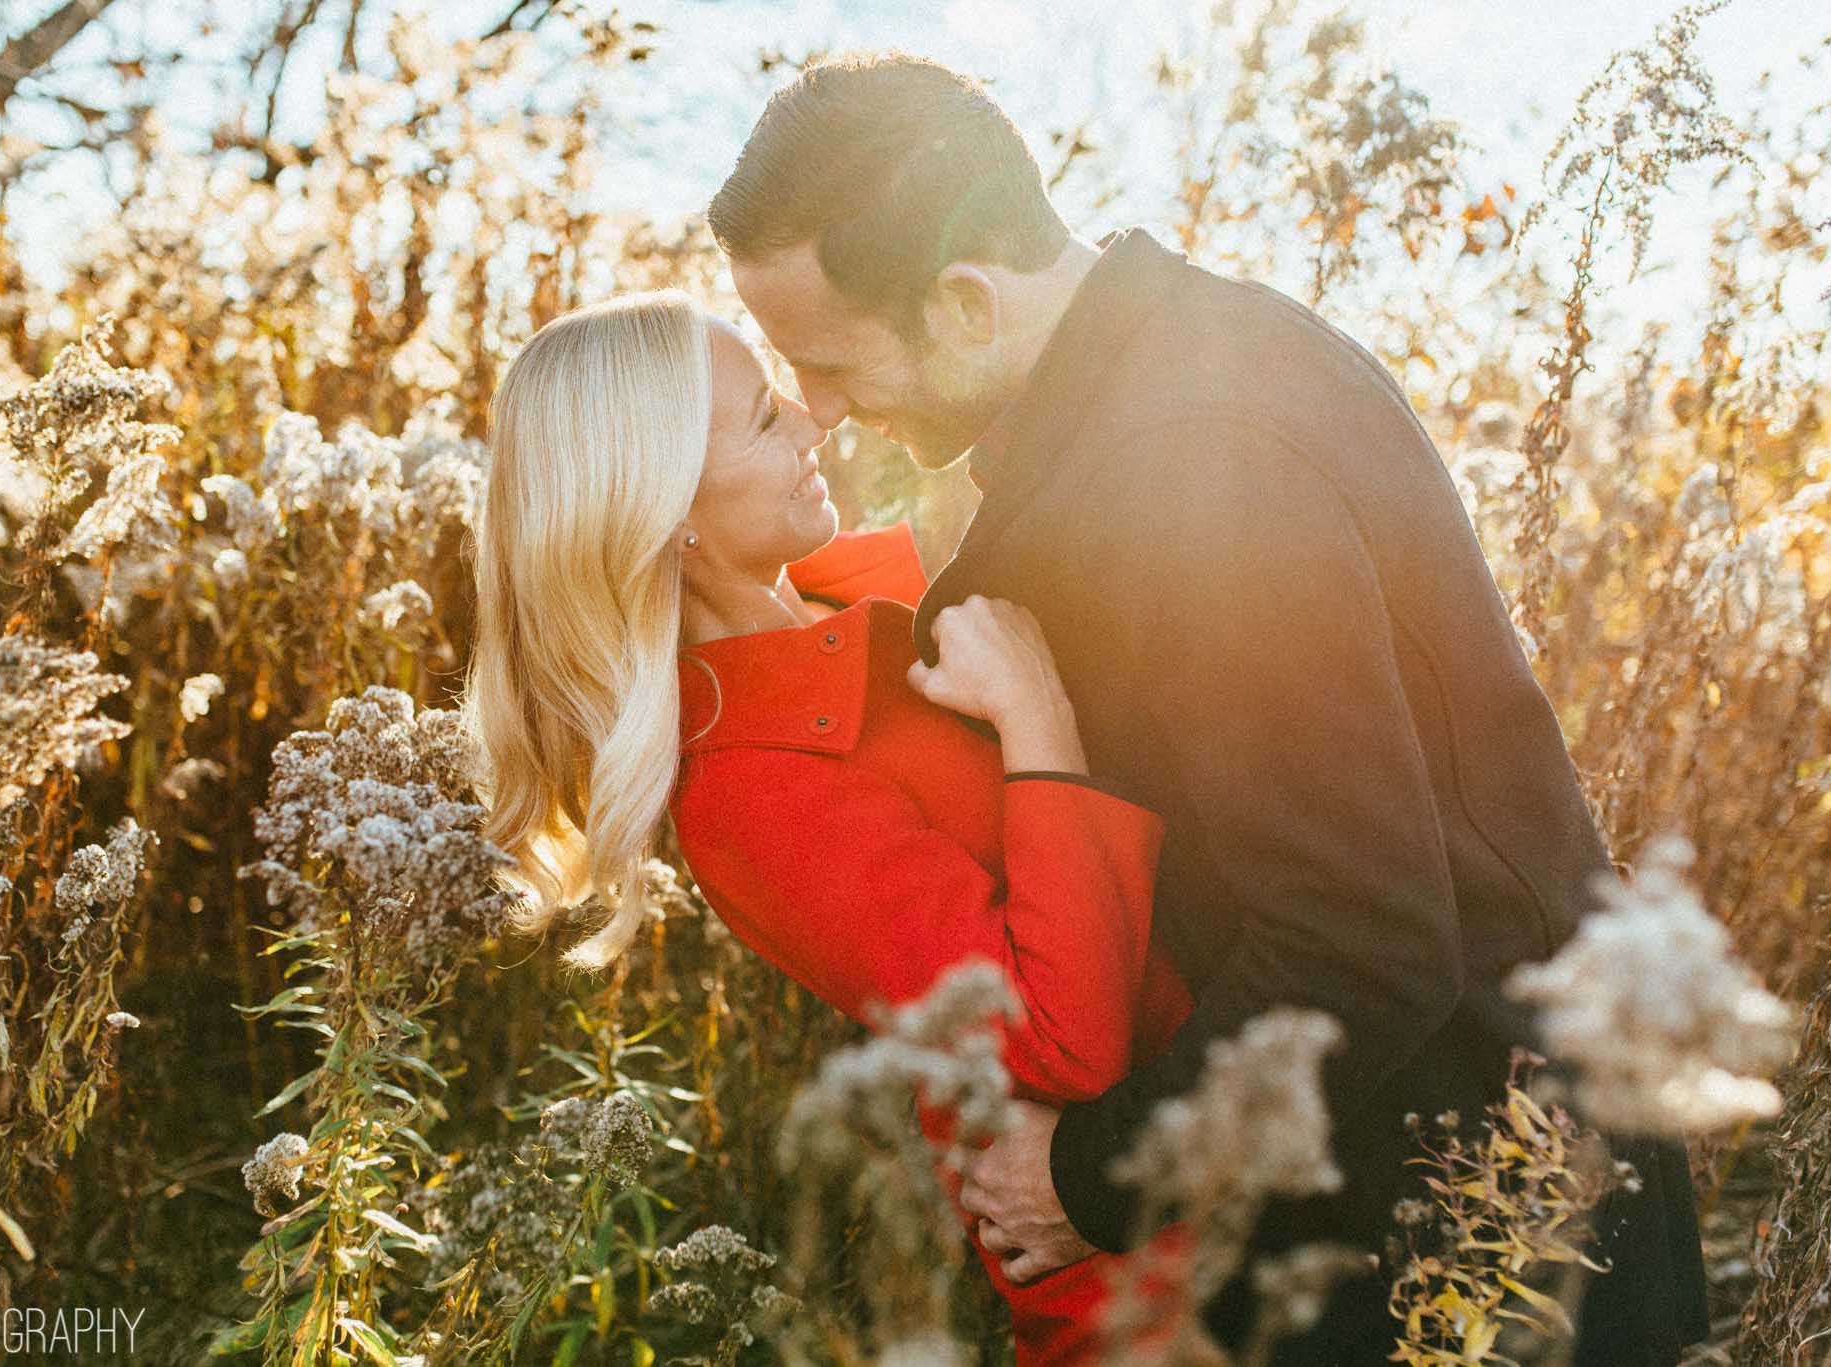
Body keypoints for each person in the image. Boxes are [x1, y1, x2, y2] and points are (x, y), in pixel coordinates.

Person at [705, 51, 1710, 1364]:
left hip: (1468, 1231)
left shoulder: (1197, 468)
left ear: (961, 300)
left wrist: (1090, 1179)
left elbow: (1364, 935)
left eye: (824, 362)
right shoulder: (1190, 356)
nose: (820, 413)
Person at [464, 289, 1195, 1364]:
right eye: (765, 419)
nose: (815, 421)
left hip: (1224, 1159)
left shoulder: (851, 629)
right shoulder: (751, 797)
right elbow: (1057, 1040)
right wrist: (1036, 713)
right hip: (1161, 1284)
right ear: (672, 510)